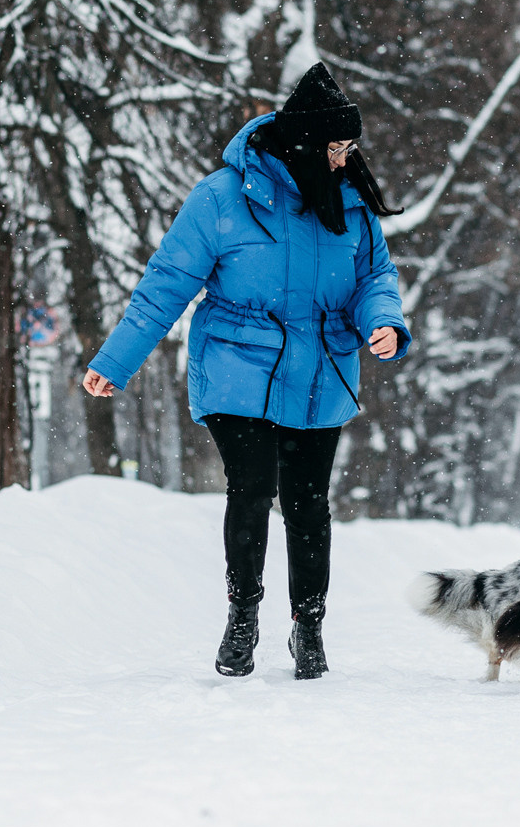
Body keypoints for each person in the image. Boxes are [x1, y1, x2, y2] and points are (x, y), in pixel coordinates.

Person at [82, 63, 411, 680]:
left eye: (350, 149)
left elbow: (374, 278)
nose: (346, 161)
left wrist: (383, 322)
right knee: (254, 486)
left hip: (322, 368)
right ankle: (243, 614)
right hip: (239, 362)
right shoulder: (221, 199)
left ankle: (308, 624)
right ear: (307, 144)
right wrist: (115, 361)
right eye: (338, 148)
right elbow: (166, 286)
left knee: (309, 502)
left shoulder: (350, 204)